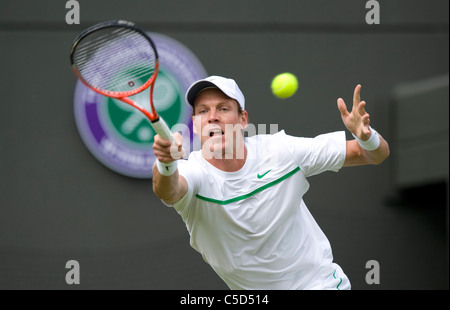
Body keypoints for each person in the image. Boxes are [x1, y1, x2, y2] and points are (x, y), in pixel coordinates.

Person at [152, 76, 390, 290]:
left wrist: (366, 137)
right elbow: (169, 191)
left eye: (223, 108)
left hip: (317, 284)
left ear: (243, 119)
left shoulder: (280, 151)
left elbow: (372, 155)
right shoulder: (191, 171)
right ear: (195, 123)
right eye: (203, 111)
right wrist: (166, 163)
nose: (213, 116)